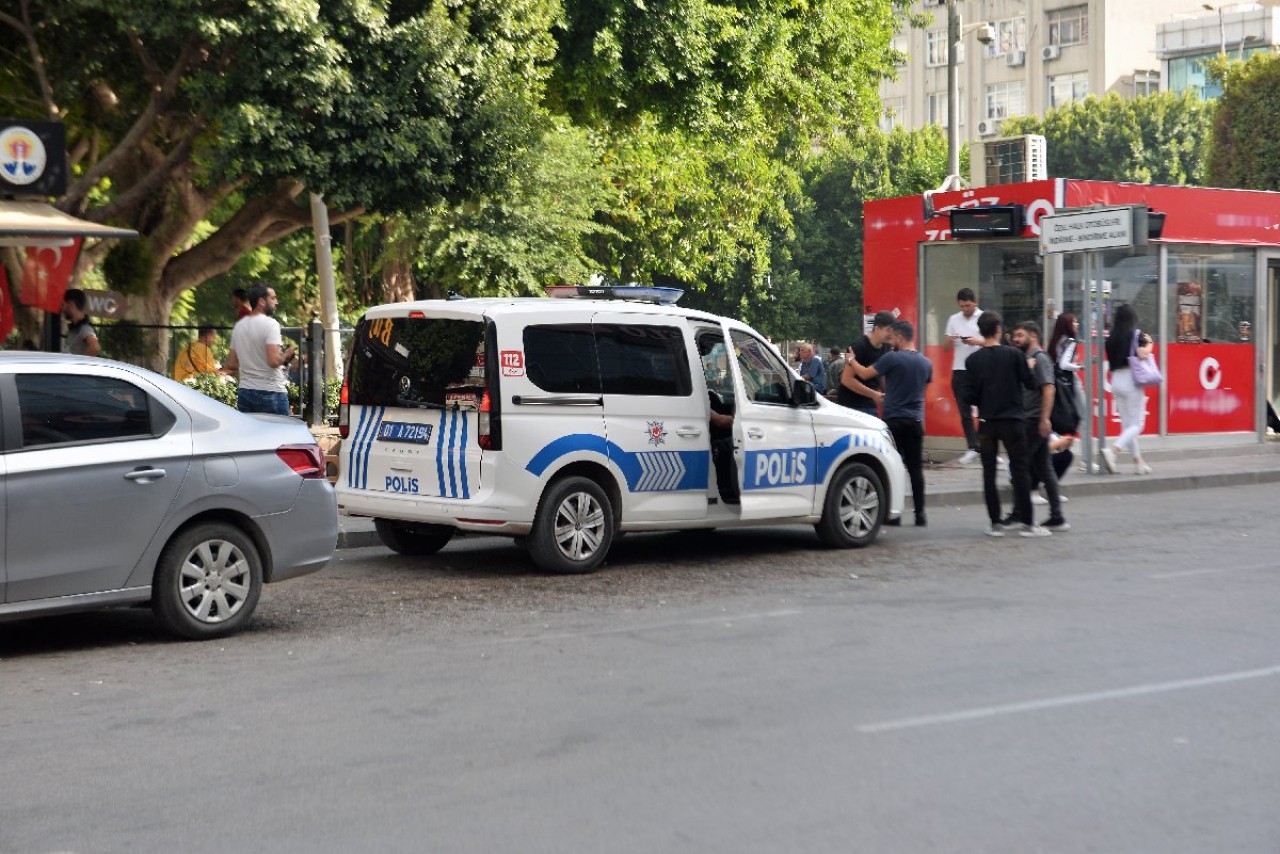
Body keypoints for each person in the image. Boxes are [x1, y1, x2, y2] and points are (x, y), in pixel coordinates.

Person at [961, 311, 1046, 538]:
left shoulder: (972, 360)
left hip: (987, 422)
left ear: (980, 331)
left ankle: (995, 522)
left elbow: (968, 396)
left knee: (988, 473)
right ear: (998, 329)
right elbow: (1031, 384)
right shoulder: (1014, 356)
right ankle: (1028, 522)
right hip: (1013, 420)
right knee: (1020, 471)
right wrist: (1028, 367)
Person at [847, 320, 932, 526]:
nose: (891, 341)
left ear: (901, 338)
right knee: (915, 469)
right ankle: (920, 514)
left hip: (893, 420)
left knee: (894, 466)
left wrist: (851, 360)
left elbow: (865, 373)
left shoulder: (892, 358)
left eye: (893, 338)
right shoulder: (925, 362)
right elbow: (924, 392)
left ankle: (895, 516)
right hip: (915, 420)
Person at [1008, 321, 1069, 532]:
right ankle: (1057, 516)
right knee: (1044, 467)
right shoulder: (1026, 359)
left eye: (1020, 335)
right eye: (1015, 335)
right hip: (1031, 420)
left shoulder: (1040, 359)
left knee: (1018, 467)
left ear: (1033, 336)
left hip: (1033, 421)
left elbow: (1049, 389)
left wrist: (1044, 419)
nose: (1016, 339)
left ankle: (1020, 513)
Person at [225, 285, 296, 415]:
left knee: (252, 435)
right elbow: (273, 361)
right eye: (273, 298)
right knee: (280, 434)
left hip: (245, 392)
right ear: (261, 301)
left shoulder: (239, 326)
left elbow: (231, 364)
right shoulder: (271, 324)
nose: (276, 302)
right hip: (270, 392)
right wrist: (286, 354)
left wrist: (250, 359)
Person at [1099, 304, 1153, 476]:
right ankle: (1113, 451)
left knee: (1128, 425)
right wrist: (1149, 343)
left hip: (1115, 381)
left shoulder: (1111, 338)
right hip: (1131, 380)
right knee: (1137, 424)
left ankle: (1138, 463)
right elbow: (1144, 355)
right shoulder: (1136, 335)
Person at [941, 288, 983, 464]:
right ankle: (972, 446)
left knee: (984, 410)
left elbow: (991, 342)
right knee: (964, 411)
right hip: (959, 369)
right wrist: (951, 338)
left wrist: (975, 341)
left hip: (980, 369)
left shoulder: (983, 317)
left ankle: (985, 446)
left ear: (975, 302)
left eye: (968, 305)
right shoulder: (953, 319)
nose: (966, 309)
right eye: (962, 306)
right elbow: (945, 347)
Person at [838, 311, 895, 414]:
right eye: (888, 330)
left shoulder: (886, 347)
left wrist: (885, 394)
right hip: (851, 406)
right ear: (877, 328)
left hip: (870, 404)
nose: (891, 334)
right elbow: (846, 380)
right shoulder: (858, 347)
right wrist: (873, 394)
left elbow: (880, 374)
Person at [1047, 312, 1086, 428]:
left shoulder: (1057, 340)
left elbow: (1057, 361)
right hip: (1068, 380)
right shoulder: (1070, 341)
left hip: (1055, 379)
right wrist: (1079, 367)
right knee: (1082, 411)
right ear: (1067, 324)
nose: (1077, 324)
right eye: (1074, 322)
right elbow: (1064, 364)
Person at [61, 288, 101, 356]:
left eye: (63, 304)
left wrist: (80, 364)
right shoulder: (75, 329)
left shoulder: (85, 329)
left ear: (71, 305)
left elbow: (95, 347)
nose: (62, 308)